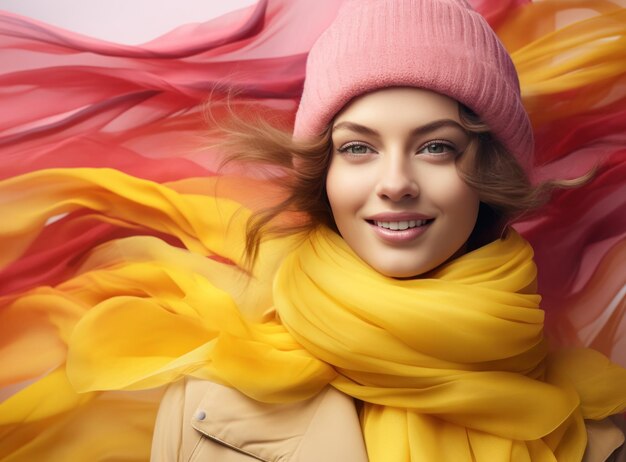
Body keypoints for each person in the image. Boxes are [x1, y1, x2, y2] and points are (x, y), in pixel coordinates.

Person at [1, 1, 625, 461]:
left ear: (488, 172)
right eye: (359, 149)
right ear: (322, 174)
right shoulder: (208, 408)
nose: (395, 182)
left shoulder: (594, 432)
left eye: (436, 147)